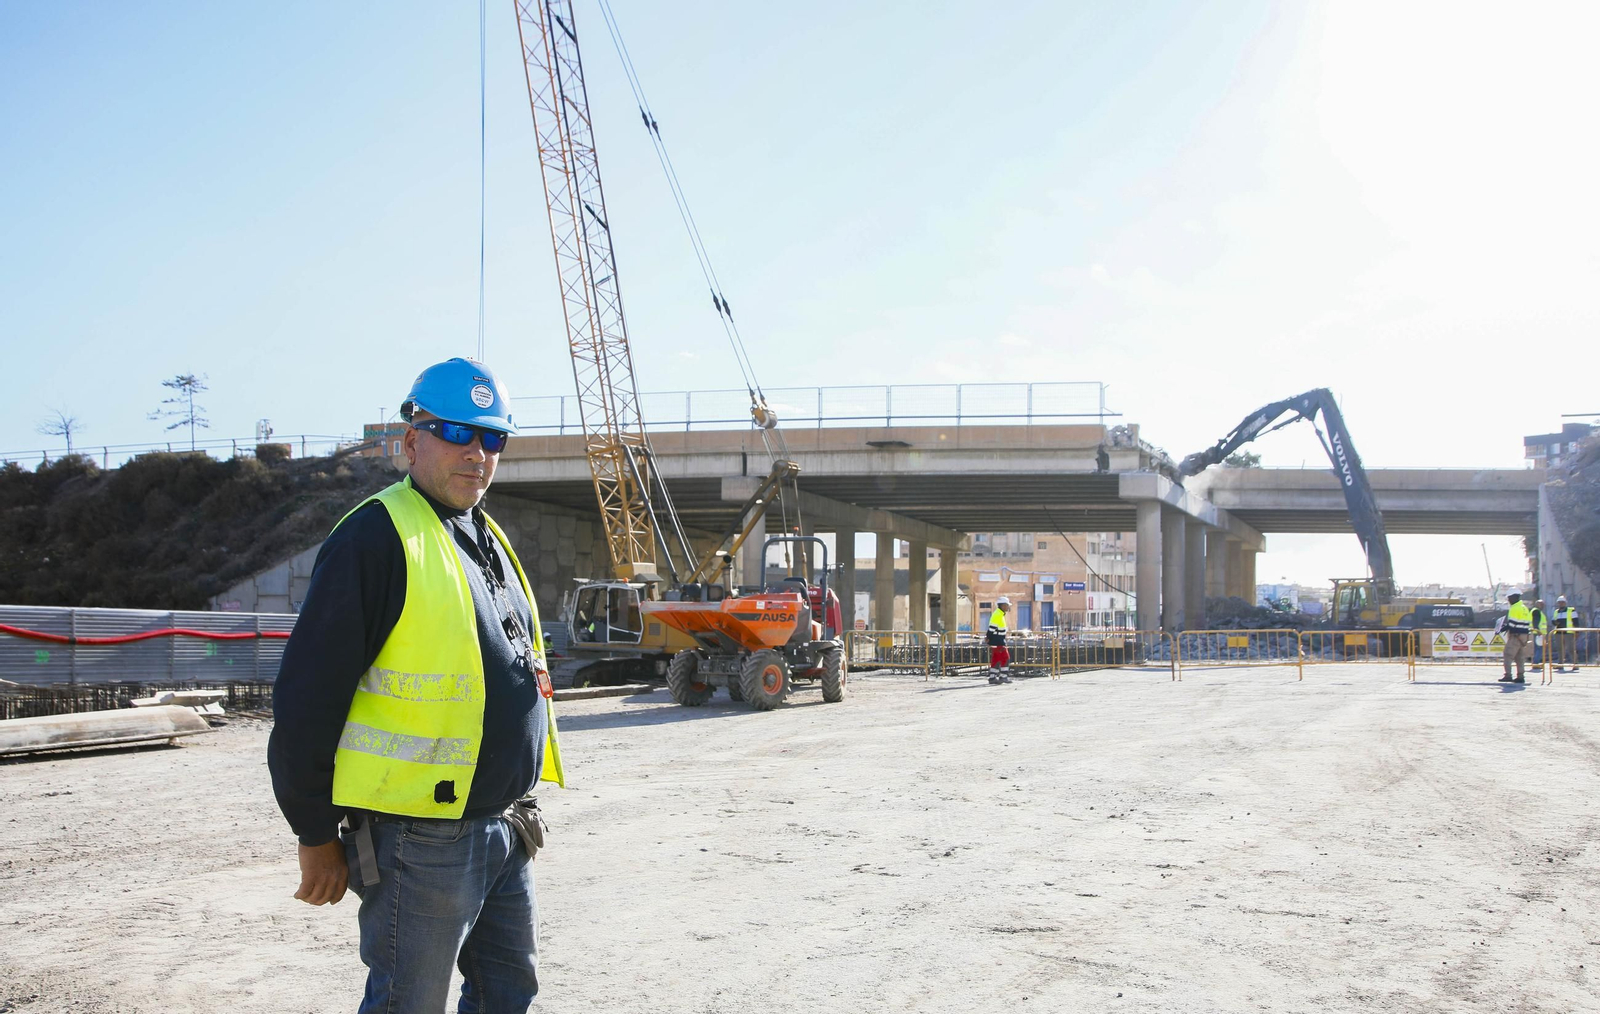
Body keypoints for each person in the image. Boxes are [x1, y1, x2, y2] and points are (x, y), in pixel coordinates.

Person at [268, 357, 564, 1014]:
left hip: (503, 826)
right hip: (421, 840)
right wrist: (314, 833)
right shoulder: (377, 537)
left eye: (493, 438)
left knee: (508, 994)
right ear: (412, 439)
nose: (478, 453)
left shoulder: (482, 535)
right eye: (458, 432)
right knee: (409, 1004)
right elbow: (304, 700)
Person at [1496, 590, 1534, 684]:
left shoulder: (1514, 608)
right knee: (1519, 657)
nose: (1508, 600)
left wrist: (1502, 628)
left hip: (1516, 635)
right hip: (1524, 635)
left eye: (1509, 598)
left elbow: (1512, 624)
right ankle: (1520, 676)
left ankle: (1508, 675)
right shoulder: (1524, 608)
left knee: (1508, 654)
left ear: (1514, 597)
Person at [986, 596, 1012, 684]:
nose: (1008, 607)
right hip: (998, 641)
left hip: (996, 640)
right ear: (1003, 605)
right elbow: (992, 628)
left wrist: (989, 638)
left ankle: (992, 677)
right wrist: (988, 637)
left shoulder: (999, 614)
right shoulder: (998, 614)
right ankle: (1003, 676)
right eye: (1007, 605)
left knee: (996, 659)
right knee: (1005, 658)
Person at [1552, 595, 1580, 673]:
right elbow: (1553, 620)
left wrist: (1577, 632)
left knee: (1571, 649)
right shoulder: (1556, 611)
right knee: (1560, 649)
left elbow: (1576, 621)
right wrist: (1555, 622)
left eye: (1562, 602)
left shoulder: (1571, 610)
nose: (1561, 604)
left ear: (1565, 603)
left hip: (1568, 633)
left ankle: (1575, 664)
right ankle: (1561, 664)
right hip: (1558, 632)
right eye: (1559, 602)